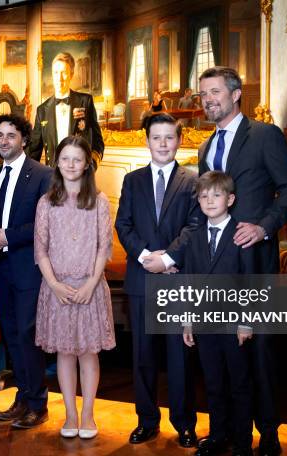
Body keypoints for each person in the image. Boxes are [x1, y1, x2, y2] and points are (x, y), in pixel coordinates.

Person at [198, 66, 287, 456]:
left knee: (258, 352)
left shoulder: (264, 136)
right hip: (215, 268)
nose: (208, 100)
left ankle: (269, 434)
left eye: (215, 92)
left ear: (236, 94)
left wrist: (263, 227)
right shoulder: (206, 148)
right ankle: (224, 430)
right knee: (219, 355)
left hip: (255, 261)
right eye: (203, 94)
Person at [114, 112, 200, 448]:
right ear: (147, 141)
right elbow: (124, 225)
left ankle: (184, 424)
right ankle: (147, 420)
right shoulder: (132, 180)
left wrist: (165, 259)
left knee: (180, 358)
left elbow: (194, 227)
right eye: (156, 137)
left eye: (169, 137)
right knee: (144, 356)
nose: (163, 144)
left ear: (179, 140)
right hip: (141, 280)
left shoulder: (192, 182)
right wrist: (145, 258)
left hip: (177, 279)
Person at [34, 136, 116, 439]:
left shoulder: (99, 200)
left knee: (88, 353)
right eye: (65, 158)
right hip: (58, 289)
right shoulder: (46, 202)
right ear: (57, 162)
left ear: (87, 165)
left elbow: (102, 248)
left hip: (89, 287)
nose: (71, 164)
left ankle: (88, 415)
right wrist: (54, 284)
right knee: (65, 354)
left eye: (77, 159)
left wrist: (91, 285)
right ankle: (69, 415)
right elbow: (40, 249)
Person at [0, 114, 53, 429]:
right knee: (11, 335)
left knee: (28, 335)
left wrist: (9, 235)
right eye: (0, 135)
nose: (4, 140)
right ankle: (22, 398)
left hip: (29, 269)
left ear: (23, 139)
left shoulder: (42, 175)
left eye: (11, 135)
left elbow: (45, 225)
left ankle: (38, 403)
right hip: (1, 267)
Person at [182, 171, 256, 456]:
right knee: (212, 381)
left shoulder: (241, 234)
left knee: (238, 382)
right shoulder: (195, 237)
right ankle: (217, 435)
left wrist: (246, 321)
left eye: (216, 195)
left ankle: (242, 442)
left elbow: (249, 280)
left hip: (234, 324)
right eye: (203, 196)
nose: (209, 200)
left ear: (230, 198)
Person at [28, 52, 104, 168]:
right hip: (52, 177)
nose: (59, 78)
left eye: (64, 73)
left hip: (80, 176)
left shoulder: (85, 102)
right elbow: (34, 151)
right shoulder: (42, 110)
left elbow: (97, 141)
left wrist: (91, 166)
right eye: (56, 72)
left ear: (71, 74)